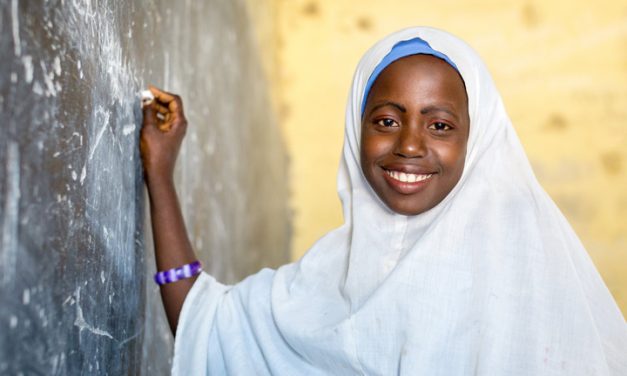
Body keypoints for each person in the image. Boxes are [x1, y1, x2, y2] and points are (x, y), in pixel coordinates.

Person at [141, 27, 627, 375]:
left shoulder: (527, 285)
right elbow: (212, 327)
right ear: (357, 131)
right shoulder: (333, 275)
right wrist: (160, 176)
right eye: (387, 121)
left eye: (440, 125)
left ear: (476, 142)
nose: (410, 146)